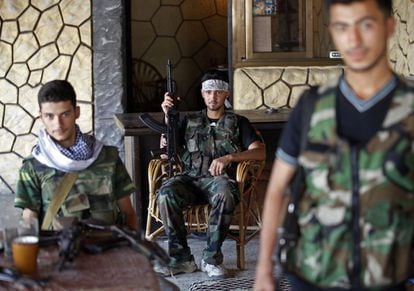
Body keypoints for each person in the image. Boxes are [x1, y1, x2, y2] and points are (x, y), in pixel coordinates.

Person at [254, 0, 414, 290]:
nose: (353, 39)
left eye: (366, 25)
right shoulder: (311, 107)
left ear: (389, 26)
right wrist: (265, 268)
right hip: (311, 273)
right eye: (342, 27)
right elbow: (278, 188)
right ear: (332, 32)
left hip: (385, 277)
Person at [154, 69, 266, 278]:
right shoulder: (188, 121)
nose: (212, 97)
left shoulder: (238, 122)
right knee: (166, 193)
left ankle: (211, 259)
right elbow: (166, 151)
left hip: (219, 182)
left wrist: (229, 158)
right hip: (190, 179)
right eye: (208, 92)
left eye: (218, 92)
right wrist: (167, 117)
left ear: (226, 95)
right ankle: (181, 260)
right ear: (202, 94)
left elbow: (259, 152)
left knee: (224, 193)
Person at [14, 80, 138, 231]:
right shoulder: (33, 166)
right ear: (41, 117)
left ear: (76, 112)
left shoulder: (107, 157)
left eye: (65, 114)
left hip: (107, 248)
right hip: (58, 250)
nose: (58, 124)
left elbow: (128, 213)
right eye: (49, 116)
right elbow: (29, 220)